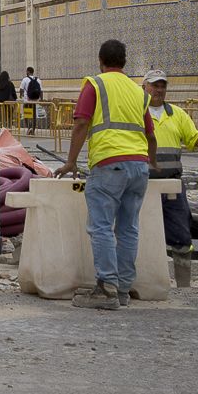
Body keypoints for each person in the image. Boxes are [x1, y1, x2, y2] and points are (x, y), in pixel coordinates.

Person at [59, 39, 155, 309]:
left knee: (101, 226)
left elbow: (81, 124)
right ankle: (123, 289)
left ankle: (107, 287)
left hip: (109, 163)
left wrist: (70, 162)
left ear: (100, 60)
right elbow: (150, 133)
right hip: (139, 166)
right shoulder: (139, 92)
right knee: (128, 228)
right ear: (124, 62)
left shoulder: (96, 84)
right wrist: (152, 161)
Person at [144, 71, 198, 257]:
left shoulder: (177, 114)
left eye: (162, 86)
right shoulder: (135, 113)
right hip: (143, 185)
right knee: (143, 234)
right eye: (154, 85)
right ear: (144, 87)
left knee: (181, 236)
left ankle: (183, 283)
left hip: (172, 185)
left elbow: (194, 139)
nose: (159, 90)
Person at [20, 67, 43, 135]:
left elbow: (21, 89)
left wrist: (21, 95)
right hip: (35, 100)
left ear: (28, 72)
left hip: (27, 100)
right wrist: (41, 99)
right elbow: (41, 91)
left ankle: (29, 127)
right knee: (34, 115)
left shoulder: (25, 79)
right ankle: (33, 130)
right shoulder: (38, 79)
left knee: (27, 114)